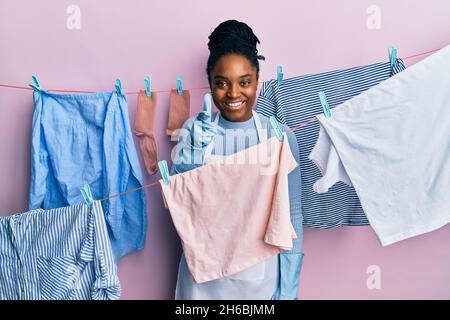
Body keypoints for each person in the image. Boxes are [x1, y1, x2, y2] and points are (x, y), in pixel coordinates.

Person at [170, 20, 304, 300]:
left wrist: (288, 289)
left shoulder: (277, 135)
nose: (233, 94)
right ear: (209, 83)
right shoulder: (194, 131)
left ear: (257, 81)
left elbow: (292, 215)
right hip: (201, 285)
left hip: (260, 284)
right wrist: (188, 160)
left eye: (244, 82)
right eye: (221, 83)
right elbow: (180, 206)